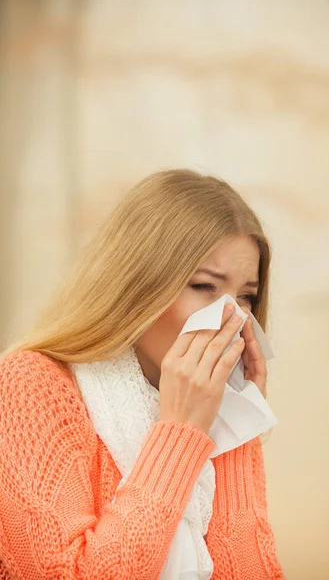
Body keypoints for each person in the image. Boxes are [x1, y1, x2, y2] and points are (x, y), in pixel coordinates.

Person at [0, 169, 285, 579]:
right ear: (138, 286)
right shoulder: (29, 385)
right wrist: (180, 433)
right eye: (205, 286)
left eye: (246, 296)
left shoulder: (216, 405)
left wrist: (235, 426)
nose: (232, 318)